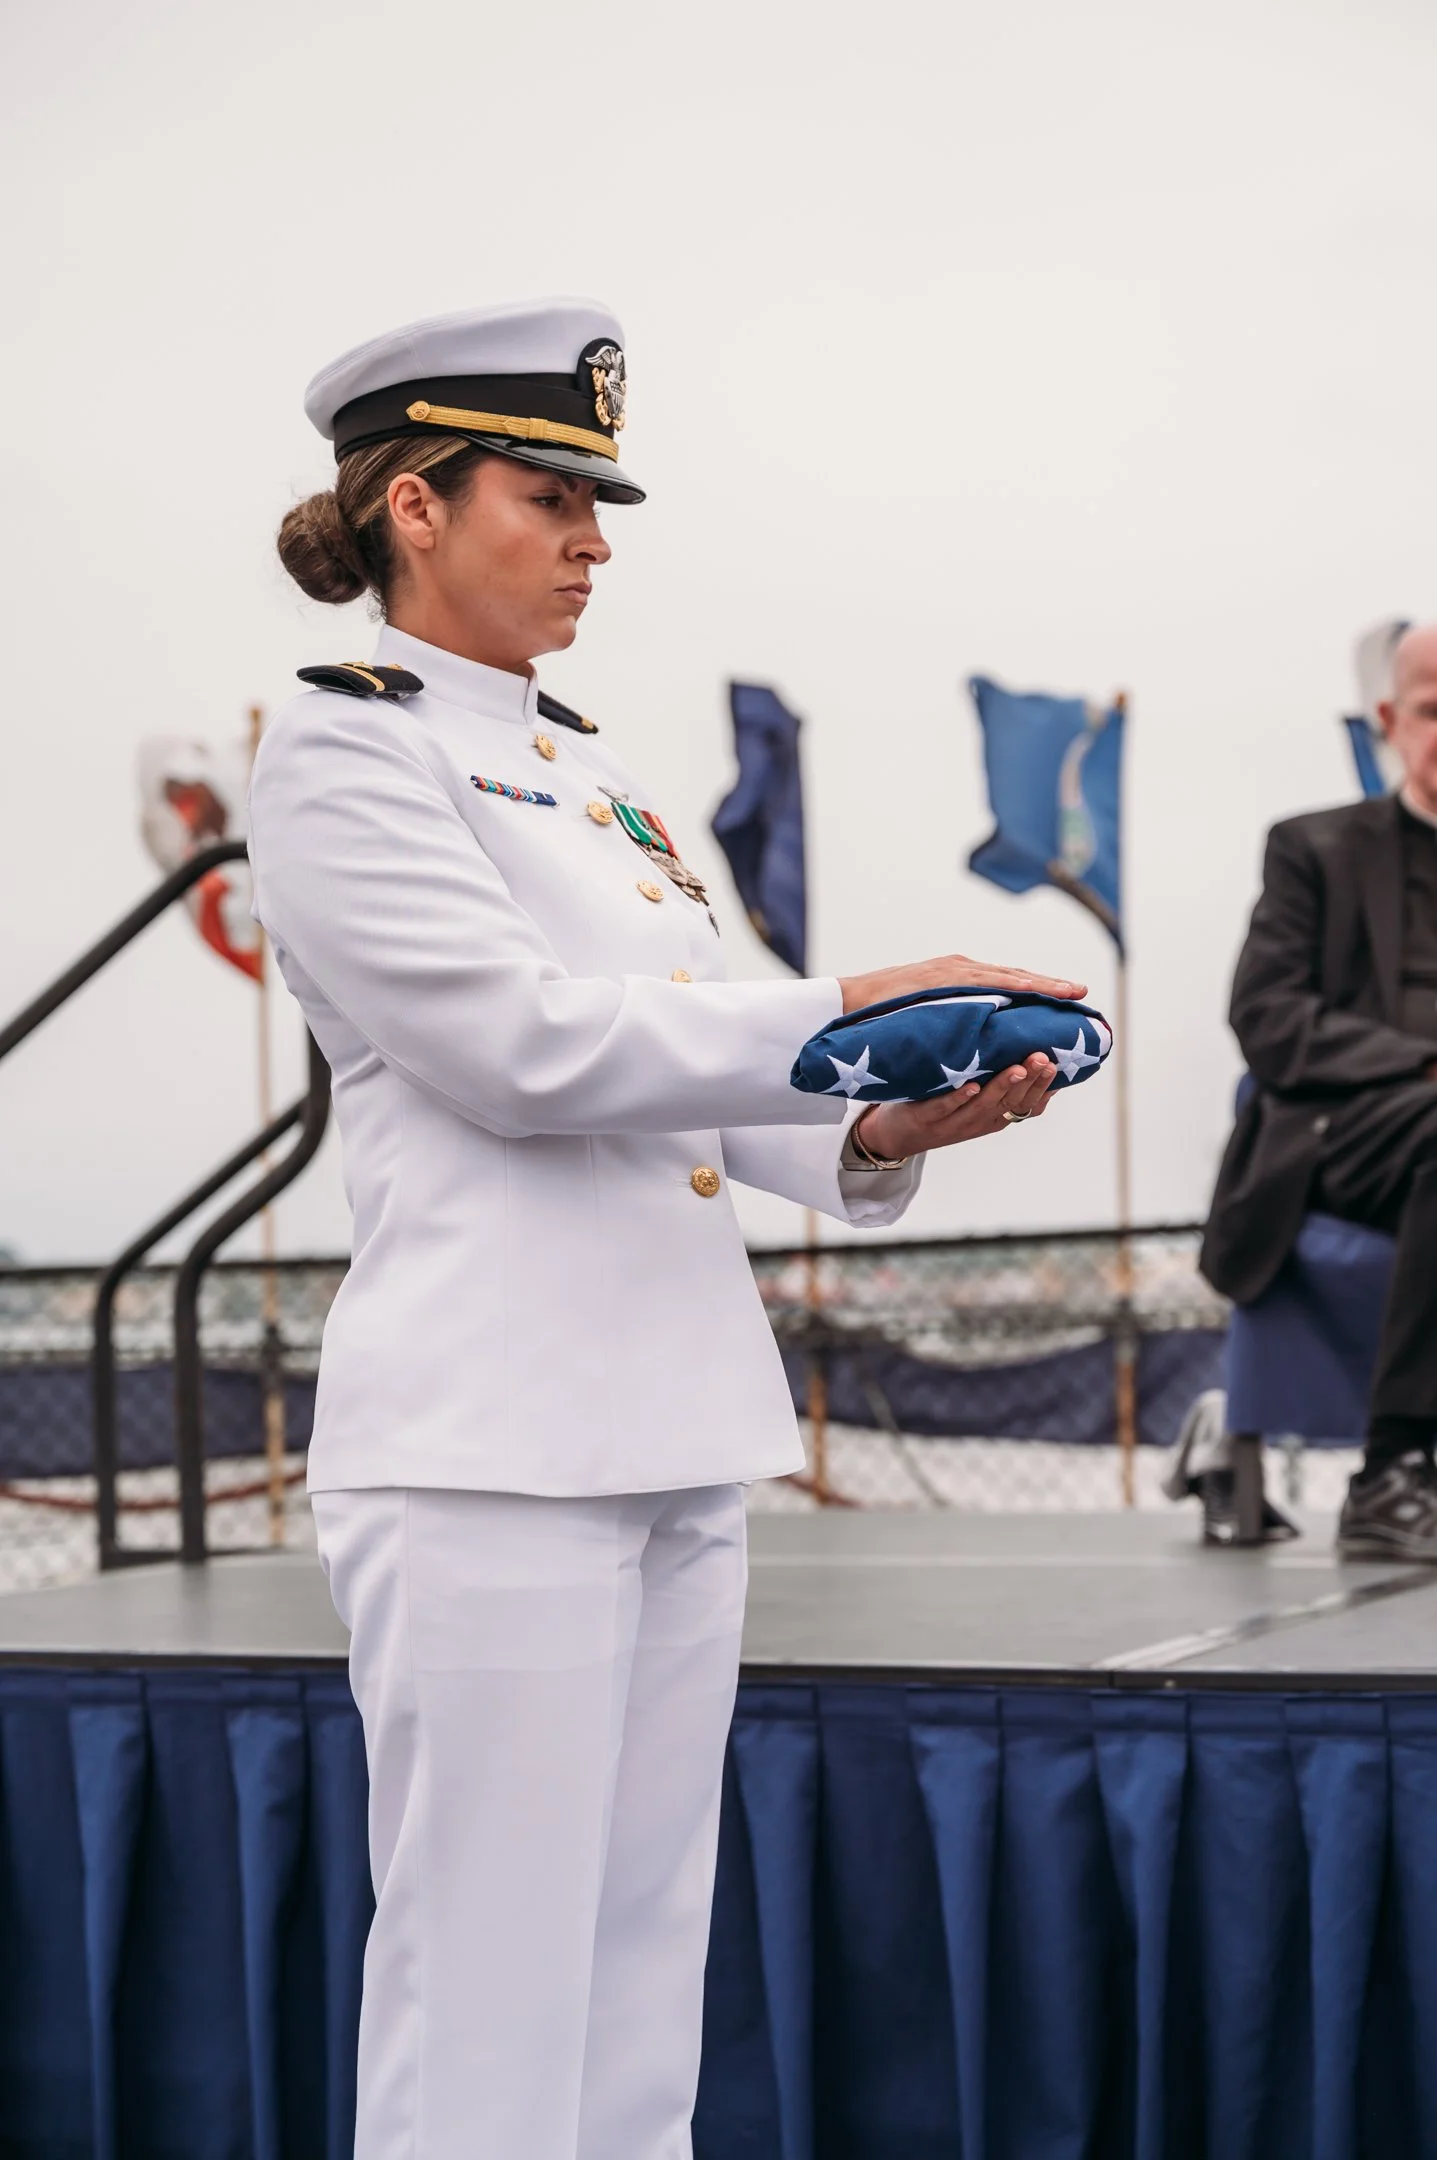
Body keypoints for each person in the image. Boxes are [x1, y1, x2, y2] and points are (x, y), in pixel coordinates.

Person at [248, 297, 1081, 2160]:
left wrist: (886, 1115)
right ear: (413, 507)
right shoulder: (342, 758)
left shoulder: (591, 774)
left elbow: (689, 1087)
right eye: (548, 494)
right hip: (489, 1455)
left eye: (595, 501)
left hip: (672, 1434)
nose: (592, 540)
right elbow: (524, 1052)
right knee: (487, 1998)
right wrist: (854, 993)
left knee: (637, 1987)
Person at [1201, 623, 1437, 1559]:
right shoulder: (1315, 850)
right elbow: (1267, 1019)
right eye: (1431, 710)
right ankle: (1395, 1471)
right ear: (1387, 720)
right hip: (1335, 1138)